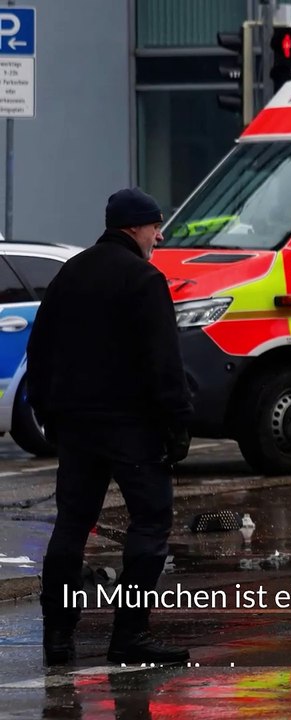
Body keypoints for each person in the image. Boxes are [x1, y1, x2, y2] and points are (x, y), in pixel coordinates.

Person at [27, 187, 193, 666]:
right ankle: (130, 636)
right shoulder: (143, 279)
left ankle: (57, 639)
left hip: (76, 426)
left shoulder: (69, 273)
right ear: (135, 227)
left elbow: (40, 350)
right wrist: (178, 422)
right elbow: (163, 360)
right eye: (155, 226)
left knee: (72, 525)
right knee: (150, 522)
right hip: (132, 428)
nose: (159, 236)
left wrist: (46, 411)